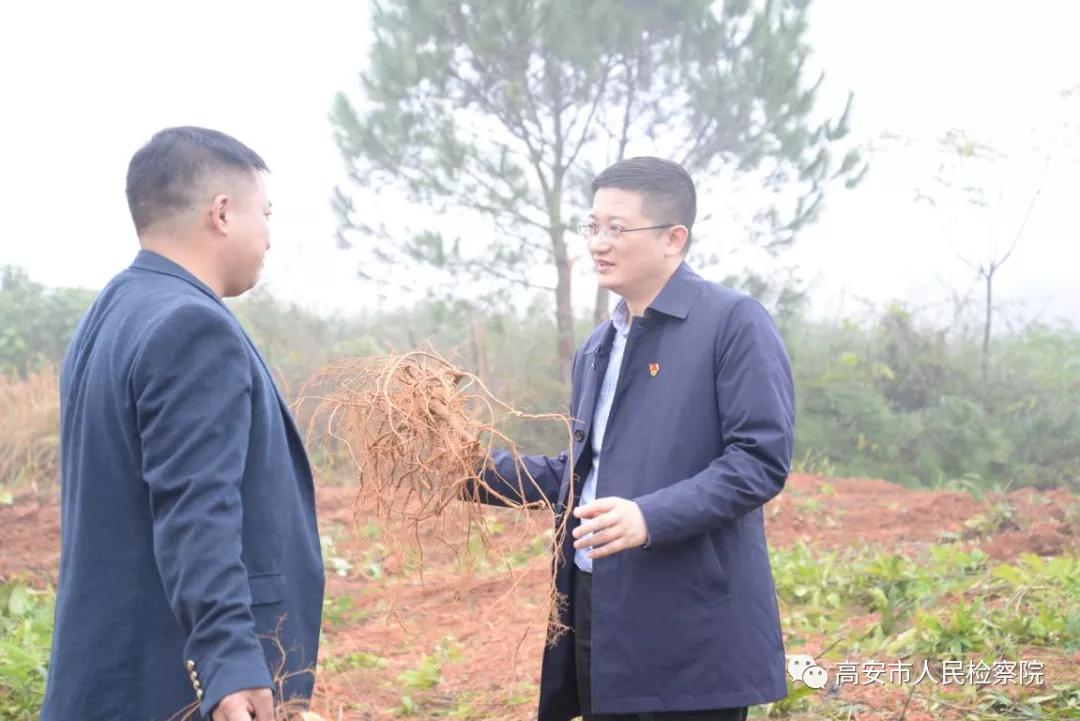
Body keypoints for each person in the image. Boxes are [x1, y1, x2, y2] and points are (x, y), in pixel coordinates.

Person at [475, 157, 794, 720]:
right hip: (601, 607)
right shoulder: (599, 344)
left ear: (674, 238)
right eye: (593, 226)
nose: (599, 243)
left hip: (690, 622)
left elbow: (758, 459)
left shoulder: (733, 323)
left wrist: (650, 516)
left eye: (617, 228)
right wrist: (469, 469)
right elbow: (581, 473)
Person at [40, 127, 325, 721]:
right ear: (222, 213)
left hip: (109, 672)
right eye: (265, 213)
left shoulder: (113, 312)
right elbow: (197, 505)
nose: (269, 236)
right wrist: (230, 659)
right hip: (168, 684)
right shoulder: (192, 327)